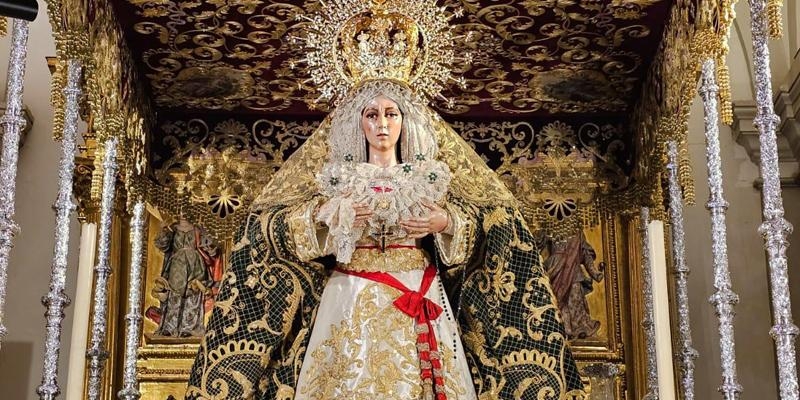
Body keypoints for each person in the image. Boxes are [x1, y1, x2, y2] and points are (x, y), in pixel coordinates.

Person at [186, 3, 585, 399]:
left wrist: (445, 224)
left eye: (391, 114)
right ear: (357, 122)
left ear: (405, 120)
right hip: (351, 291)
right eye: (372, 114)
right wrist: (325, 215)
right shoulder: (336, 177)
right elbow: (280, 227)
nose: (382, 124)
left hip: (419, 285)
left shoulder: (429, 176)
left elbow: (484, 224)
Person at [152, 215, 220, 338]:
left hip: (195, 263)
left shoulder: (198, 229)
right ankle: (170, 327)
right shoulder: (173, 229)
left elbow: (209, 246)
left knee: (193, 293)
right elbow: (163, 245)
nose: (184, 213)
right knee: (174, 293)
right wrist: (163, 230)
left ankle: (189, 328)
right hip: (177, 264)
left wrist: (210, 247)